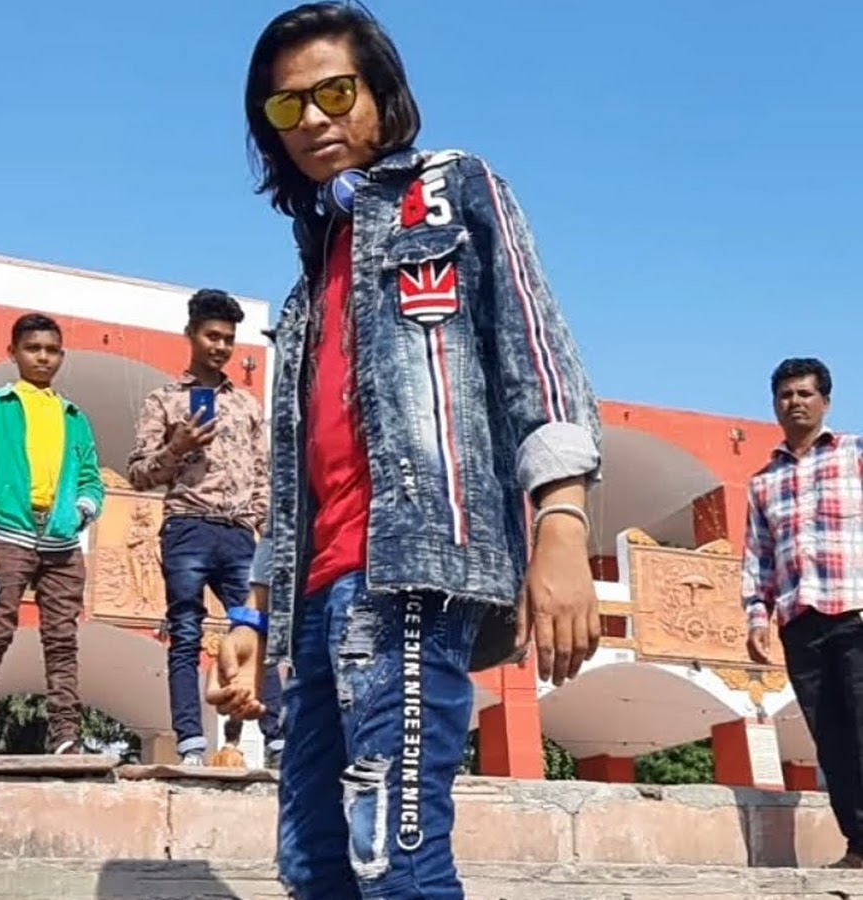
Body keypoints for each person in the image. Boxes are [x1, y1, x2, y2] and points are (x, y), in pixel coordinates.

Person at [206, 4, 602, 898]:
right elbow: (293, 480)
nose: (312, 120)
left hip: (413, 573)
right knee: (312, 865)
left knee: (396, 856)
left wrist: (563, 524)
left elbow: (538, 359)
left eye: (334, 93)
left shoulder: (454, 190)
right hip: (313, 598)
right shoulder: (306, 289)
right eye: (286, 107)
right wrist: (253, 616)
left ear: (382, 96)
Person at [127, 288, 281, 766]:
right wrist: (177, 447)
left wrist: (265, 531)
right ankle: (192, 744)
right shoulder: (164, 400)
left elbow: (262, 474)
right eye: (212, 336)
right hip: (187, 528)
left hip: (239, 533)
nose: (220, 347)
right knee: (186, 633)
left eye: (228, 339)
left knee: (256, 630)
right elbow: (138, 474)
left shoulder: (247, 405)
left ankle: (275, 738)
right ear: (191, 334)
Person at [0, 313, 104, 756]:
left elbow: (91, 478)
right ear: (14, 353)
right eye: (33, 348)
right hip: (7, 535)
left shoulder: (74, 415)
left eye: (52, 350)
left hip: (62, 544)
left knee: (62, 640)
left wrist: (82, 509)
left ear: (62, 355)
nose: (43, 357)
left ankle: (66, 735)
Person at [743, 357, 863, 870]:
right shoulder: (763, 482)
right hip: (800, 624)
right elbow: (759, 558)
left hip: (856, 612)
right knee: (831, 740)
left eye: (804, 393)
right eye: (785, 395)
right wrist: (757, 618)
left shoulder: (855, 454)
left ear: (825, 402)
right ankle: (859, 845)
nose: (794, 402)